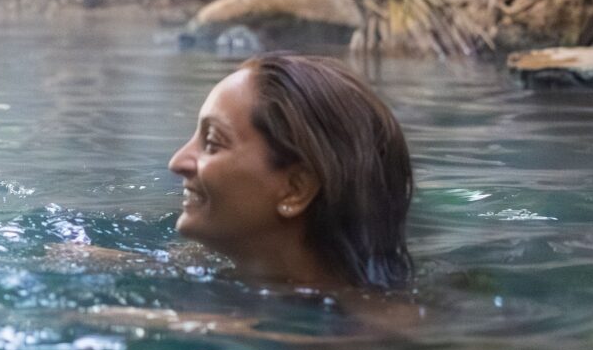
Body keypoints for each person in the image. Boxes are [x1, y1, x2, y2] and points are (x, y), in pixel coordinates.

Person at [168, 52, 414, 296]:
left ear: (295, 189)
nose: (177, 162)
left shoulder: (370, 330)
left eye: (212, 142)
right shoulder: (199, 265)